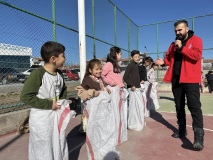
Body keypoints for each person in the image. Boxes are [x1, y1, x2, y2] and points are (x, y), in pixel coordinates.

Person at [155, 20, 204, 151]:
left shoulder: (196, 40)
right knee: (179, 106)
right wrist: (163, 62)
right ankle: (182, 130)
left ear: (187, 29)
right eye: (176, 31)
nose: (177, 33)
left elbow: (196, 56)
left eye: (180, 30)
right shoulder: (172, 45)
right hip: (176, 80)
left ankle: (198, 138)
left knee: (194, 107)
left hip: (191, 80)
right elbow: (169, 59)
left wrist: (182, 48)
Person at [20, 41, 72, 160]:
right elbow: (26, 96)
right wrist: (49, 104)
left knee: (59, 144)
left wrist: (62, 102)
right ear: (53, 58)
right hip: (42, 119)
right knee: (43, 149)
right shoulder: (37, 74)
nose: (65, 58)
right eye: (63, 56)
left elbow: (63, 89)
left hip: (56, 116)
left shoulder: (59, 74)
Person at [76, 59, 118, 160]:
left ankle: (104, 150)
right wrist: (92, 93)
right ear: (90, 70)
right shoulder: (87, 79)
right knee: (96, 133)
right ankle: (96, 152)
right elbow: (80, 92)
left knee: (104, 132)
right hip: (95, 113)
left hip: (103, 113)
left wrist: (106, 90)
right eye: (96, 69)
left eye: (100, 69)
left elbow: (101, 90)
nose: (99, 71)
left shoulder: (99, 80)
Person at [101, 46, 129, 145]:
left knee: (120, 113)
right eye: (120, 54)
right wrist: (110, 82)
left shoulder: (116, 65)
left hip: (120, 90)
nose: (121, 55)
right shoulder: (108, 64)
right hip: (114, 91)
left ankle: (120, 135)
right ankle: (115, 137)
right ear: (115, 54)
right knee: (115, 113)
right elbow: (102, 74)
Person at [123, 50, 145, 131]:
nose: (137, 58)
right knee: (133, 107)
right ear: (131, 57)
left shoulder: (136, 65)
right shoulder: (130, 65)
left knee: (138, 106)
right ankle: (132, 124)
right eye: (135, 57)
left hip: (137, 88)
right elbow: (125, 77)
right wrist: (132, 85)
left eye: (138, 57)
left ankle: (137, 121)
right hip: (133, 89)